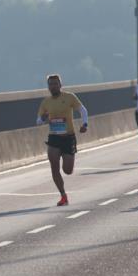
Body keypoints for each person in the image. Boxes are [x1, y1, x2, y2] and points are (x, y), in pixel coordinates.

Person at [37, 74, 89, 206]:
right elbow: (38, 121)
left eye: (55, 83)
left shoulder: (69, 97)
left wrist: (84, 124)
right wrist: (43, 118)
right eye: (51, 84)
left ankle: (66, 165)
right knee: (54, 168)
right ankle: (63, 195)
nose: (53, 86)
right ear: (48, 86)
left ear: (60, 85)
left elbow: (83, 110)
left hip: (68, 137)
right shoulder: (46, 102)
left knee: (67, 170)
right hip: (54, 138)